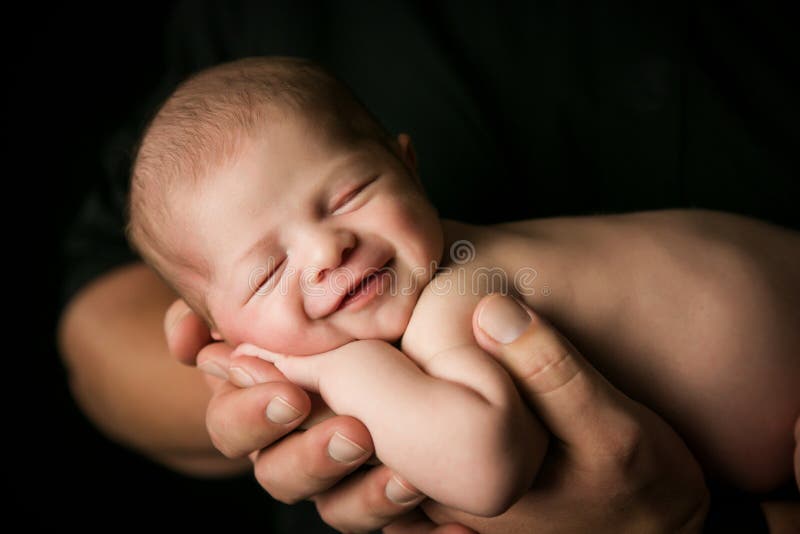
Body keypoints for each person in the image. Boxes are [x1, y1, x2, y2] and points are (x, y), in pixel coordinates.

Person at [57, 1, 799, 531]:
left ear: (409, 168)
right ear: (223, 331)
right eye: (267, 272)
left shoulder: (457, 294)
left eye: (349, 194)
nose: (326, 249)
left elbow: (484, 469)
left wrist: (329, 373)